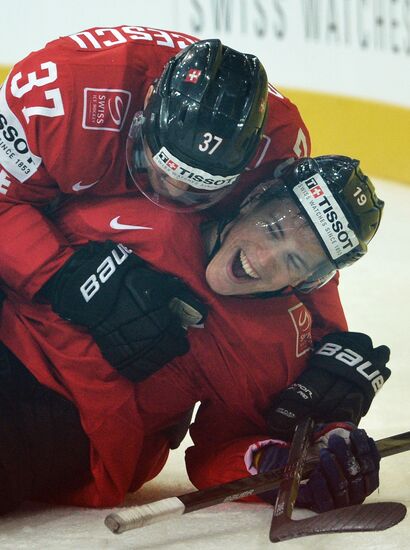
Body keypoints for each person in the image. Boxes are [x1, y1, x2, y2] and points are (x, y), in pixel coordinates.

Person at [0, 155, 389, 514]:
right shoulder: (156, 201)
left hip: (72, 422)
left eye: (294, 261)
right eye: (272, 230)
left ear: (308, 280)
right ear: (250, 202)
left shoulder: (271, 346)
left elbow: (216, 454)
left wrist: (274, 466)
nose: (264, 259)